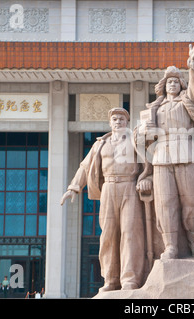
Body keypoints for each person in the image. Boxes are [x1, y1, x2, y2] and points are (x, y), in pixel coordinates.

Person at [141, 40, 194, 260]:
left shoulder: (188, 102)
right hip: (161, 157)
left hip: (186, 153)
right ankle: (170, 246)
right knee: (165, 203)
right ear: (163, 86)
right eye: (169, 82)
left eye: (176, 82)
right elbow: (142, 139)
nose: (173, 85)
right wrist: (145, 131)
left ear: (181, 85)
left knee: (191, 200)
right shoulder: (153, 109)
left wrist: (193, 64)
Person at [60, 108, 151, 292]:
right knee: (108, 235)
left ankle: (129, 279)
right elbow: (85, 167)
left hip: (129, 187)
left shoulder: (135, 141)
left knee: (130, 233)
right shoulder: (100, 144)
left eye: (122, 119)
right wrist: (74, 188)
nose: (118, 122)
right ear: (110, 123)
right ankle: (111, 279)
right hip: (108, 188)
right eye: (115, 119)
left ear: (127, 122)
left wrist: (146, 179)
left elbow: (149, 165)